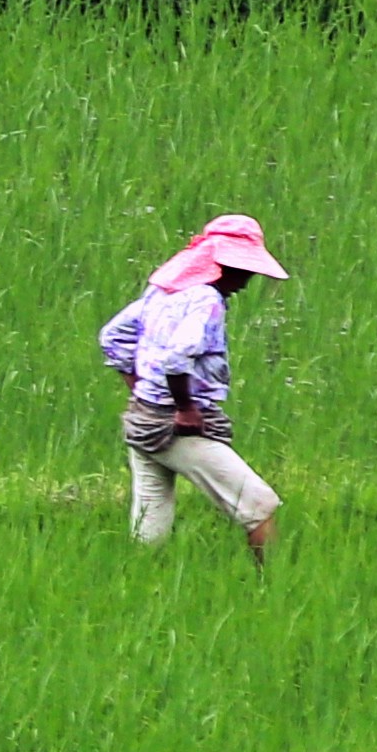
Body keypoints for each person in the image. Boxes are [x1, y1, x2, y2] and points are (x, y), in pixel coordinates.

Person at [101, 214, 293, 564]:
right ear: (220, 265)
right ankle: (278, 584)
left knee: (150, 527)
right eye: (242, 270)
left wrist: (142, 390)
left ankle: (141, 584)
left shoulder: (163, 291)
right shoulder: (206, 300)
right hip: (175, 426)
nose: (246, 281)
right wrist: (185, 408)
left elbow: (113, 337)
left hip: (142, 420)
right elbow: (177, 358)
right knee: (257, 504)